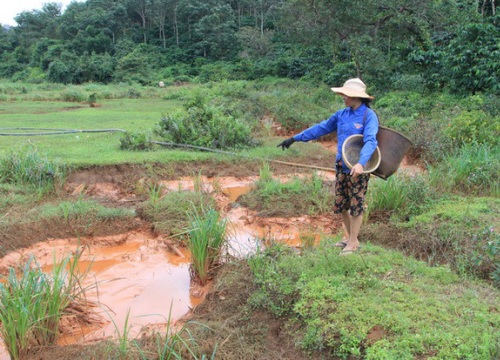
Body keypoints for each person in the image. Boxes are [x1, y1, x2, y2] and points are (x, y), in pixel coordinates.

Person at [277, 78, 379, 255]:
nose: (343, 97)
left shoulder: (368, 116)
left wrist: (361, 164)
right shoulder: (341, 115)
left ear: (356, 96)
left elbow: (370, 141)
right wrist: (295, 138)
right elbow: (321, 128)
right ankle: (349, 237)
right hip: (341, 166)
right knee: (342, 204)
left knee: (356, 204)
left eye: (345, 95)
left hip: (358, 169)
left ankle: (354, 242)